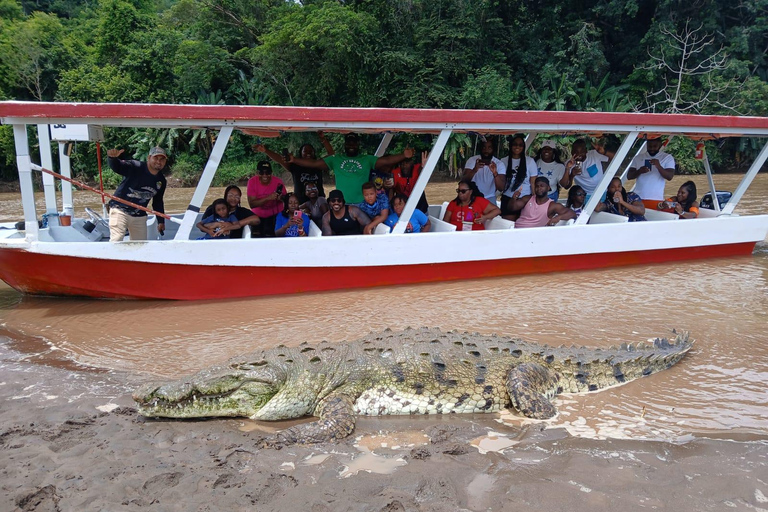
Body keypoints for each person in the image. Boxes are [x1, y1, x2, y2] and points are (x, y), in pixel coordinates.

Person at [289, 133, 414, 204]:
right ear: (344, 144)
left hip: (363, 204)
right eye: (348, 143)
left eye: (354, 143)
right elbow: (314, 164)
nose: (351, 145)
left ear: (358, 144)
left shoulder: (367, 159)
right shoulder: (335, 159)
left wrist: (403, 155)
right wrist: (294, 160)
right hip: (342, 204)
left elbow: (386, 161)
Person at [105, 146, 168, 242]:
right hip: (120, 209)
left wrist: (161, 221)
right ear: (149, 158)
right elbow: (118, 167)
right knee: (116, 239)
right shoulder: (135, 166)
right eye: (156, 158)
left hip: (139, 215)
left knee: (140, 246)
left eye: (162, 159)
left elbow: (158, 202)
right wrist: (112, 159)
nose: (158, 162)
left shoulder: (161, 181)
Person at [252, 131, 333, 203]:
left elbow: (332, 155)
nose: (308, 153)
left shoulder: (318, 164)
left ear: (314, 153)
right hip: (300, 203)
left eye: (310, 151)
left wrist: (323, 139)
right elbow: (280, 159)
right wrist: (266, 151)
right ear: (300, 154)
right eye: (305, 151)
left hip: (319, 204)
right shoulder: (295, 166)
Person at [506, 176, 577, 228]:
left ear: (548, 188)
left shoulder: (552, 205)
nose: (539, 188)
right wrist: (514, 198)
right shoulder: (527, 199)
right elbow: (511, 208)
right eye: (537, 186)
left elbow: (572, 214)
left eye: (542, 186)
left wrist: (558, 218)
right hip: (516, 230)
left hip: (535, 236)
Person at [627, 137, 676, 209]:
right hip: (638, 197)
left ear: (660, 145)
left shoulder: (667, 158)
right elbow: (629, 176)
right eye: (650, 146)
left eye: (655, 146)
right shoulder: (638, 157)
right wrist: (639, 171)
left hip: (656, 198)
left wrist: (658, 166)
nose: (652, 149)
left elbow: (669, 176)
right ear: (646, 145)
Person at [247, 161, 286, 237]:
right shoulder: (252, 182)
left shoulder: (278, 182)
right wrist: (268, 198)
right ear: (257, 173)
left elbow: (286, 199)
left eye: (268, 172)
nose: (265, 175)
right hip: (258, 215)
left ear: (271, 173)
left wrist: (280, 198)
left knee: (271, 235)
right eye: (261, 172)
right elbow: (252, 204)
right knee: (256, 237)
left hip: (274, 214)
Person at [500, 134, 536, 218]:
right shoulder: (503, 161)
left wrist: (535, 199)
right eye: (515, 144)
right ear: (510, 145)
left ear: (523, 147)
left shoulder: (530, 161)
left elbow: (533, 182)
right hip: (508, 197)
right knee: (508, 225)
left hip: (525, 198)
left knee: (523, 225)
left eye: (520, 145)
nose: (517, 147)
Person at [463, 136, 506, 202]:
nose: (486, 150)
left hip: (490, 197)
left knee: (495, 212)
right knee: (469, 213)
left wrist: (495, 173)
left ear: (493, 149)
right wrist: (475, 169)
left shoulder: (499, 164)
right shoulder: (472, 160)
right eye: (484, 147)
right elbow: (464, 181)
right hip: (472, 197)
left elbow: (501, 188)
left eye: (489, 148)